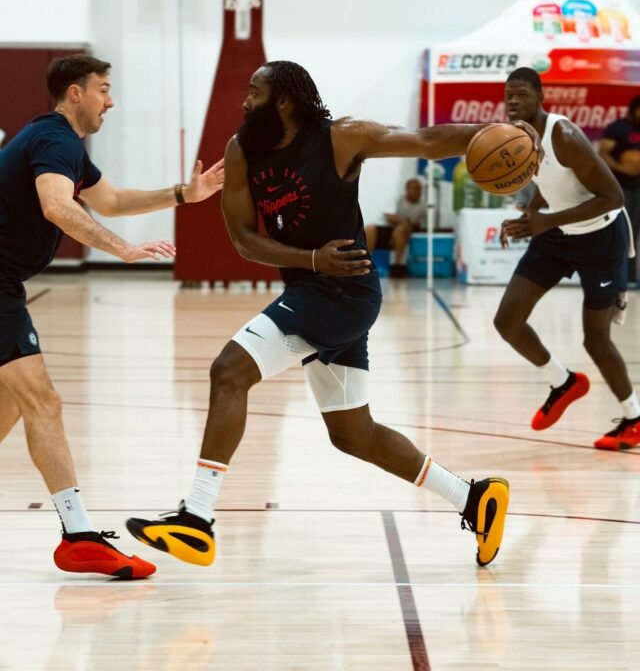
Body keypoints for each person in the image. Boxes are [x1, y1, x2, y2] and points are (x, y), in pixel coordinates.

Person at [125, 60, 536, 569]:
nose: (244, 102)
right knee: (352, 434)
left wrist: (495, 132)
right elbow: (243, 239)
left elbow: (426, 141)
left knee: (228, 371)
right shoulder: (242, 149)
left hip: (345, 293)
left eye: (254, 93)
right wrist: (309, 259)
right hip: (314, 285)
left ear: (284, 100)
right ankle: (473, 498)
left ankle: (197, 516)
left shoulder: (343, 138)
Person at [0, 54, 224, 578]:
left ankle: (78, 535)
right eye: (103, 89)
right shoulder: (55, 140)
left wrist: (182, 195)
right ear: (74, 93)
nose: (111, 100)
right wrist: (122, 249)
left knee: (13, 399)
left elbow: (112, 199)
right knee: (43, 401)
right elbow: (57, 206)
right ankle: (78, 536)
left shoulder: (59, 143)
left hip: (5, 283)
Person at [495, 67, 639, 451]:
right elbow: (548, 184)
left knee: (596, 338)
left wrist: (546, 222)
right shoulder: (519, 137)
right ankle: (563, 381)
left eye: (521, 93)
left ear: (541, 99)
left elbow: (613, 197)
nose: (512, 100)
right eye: (508, 94)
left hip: (601, 238)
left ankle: (633, 417)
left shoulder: (564, 135)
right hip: (558, 235)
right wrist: (531, 214)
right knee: (507, 321)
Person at [598, 94, 640, 322]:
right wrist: (622, 168)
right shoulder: (618, 128)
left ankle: (635, 277)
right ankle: (625, 279)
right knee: (626, 235)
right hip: (622, 189)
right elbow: (602, 153)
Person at [365, 177, 426, 277]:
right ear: (407, 189)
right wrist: (404, 222)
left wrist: (406, 225)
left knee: (400, 230)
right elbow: (388, 216)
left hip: (403, 230)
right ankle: (366, 263)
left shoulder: (422, 206)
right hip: (384, 228)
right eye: (415, 188)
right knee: (369, 228)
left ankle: (397, 265)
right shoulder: (397, 199)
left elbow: (419, 224)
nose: (418, 192)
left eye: (419, 189)